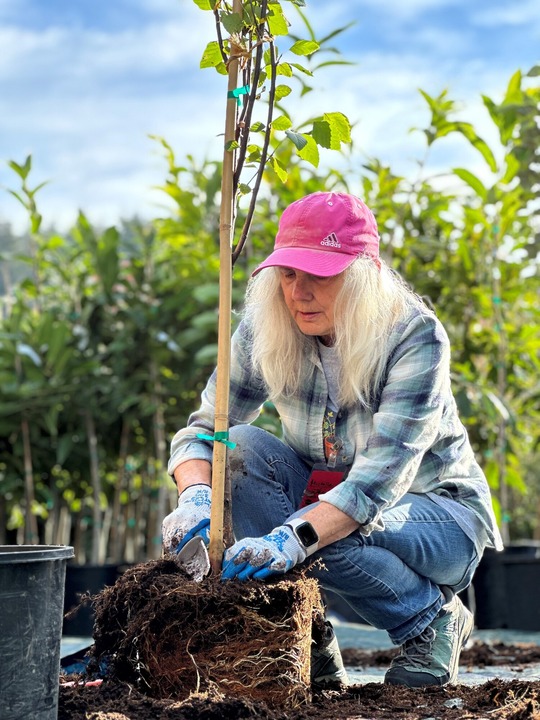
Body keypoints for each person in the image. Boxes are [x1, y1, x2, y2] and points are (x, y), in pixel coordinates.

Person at [162, 191, 503, 689]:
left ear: (362, 276)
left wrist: (290, 537)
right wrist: (194, 495)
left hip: (436, 514)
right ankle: (305, 633)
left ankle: (430, 621)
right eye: (288, 274)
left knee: (324, 532)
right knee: (240, 450)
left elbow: (371, 487)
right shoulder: (269, 326)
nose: (299, 292)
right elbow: (204, 431)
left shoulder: (414, 336)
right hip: (325, 502)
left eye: (319, 274)